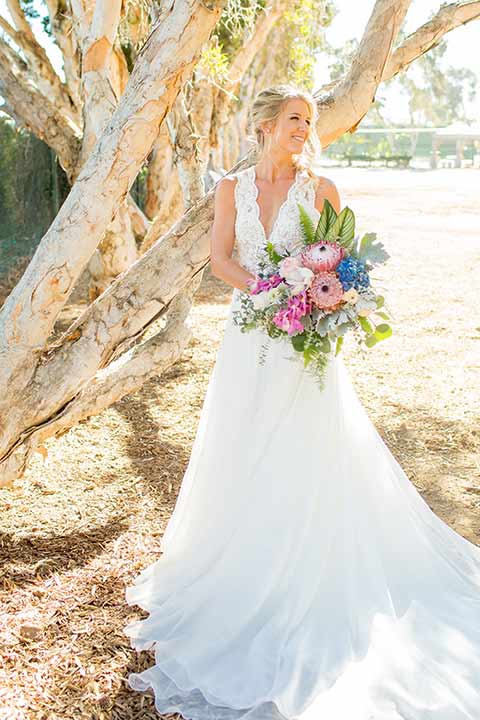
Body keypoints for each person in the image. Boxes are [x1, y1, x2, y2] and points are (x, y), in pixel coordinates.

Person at [124, 85, 480, 720]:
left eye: (308, 122)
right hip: (248, 337)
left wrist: (317, 297)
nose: (302, 129)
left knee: (305, 455)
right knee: (244, 448)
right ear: (265, 124)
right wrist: (268, 288)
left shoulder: (321, 192)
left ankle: (302, 578)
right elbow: (219, 259)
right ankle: (239, 573)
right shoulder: (231, 187)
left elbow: (343, 271)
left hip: (305, 349)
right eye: (293, 119)